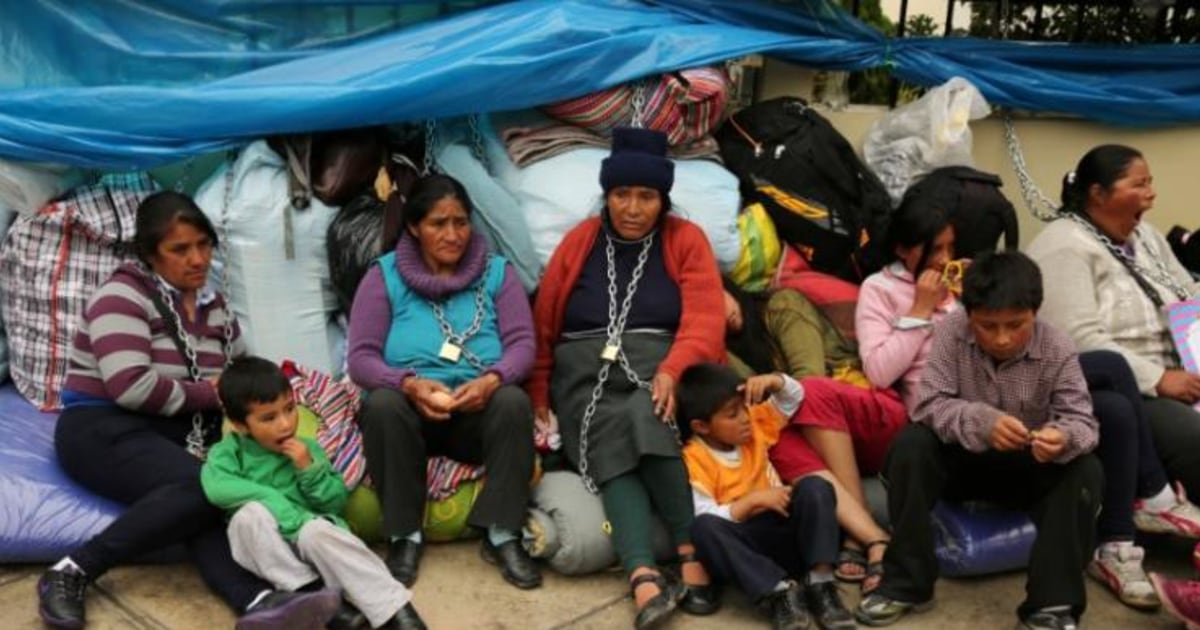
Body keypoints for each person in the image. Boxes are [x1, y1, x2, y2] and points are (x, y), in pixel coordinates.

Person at [38, 192, 337, 630]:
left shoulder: (216, 309)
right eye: (180, 249)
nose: (197, 258)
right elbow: (131, 387)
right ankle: (72, 571)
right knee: (205, 488)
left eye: (204, 244)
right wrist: (214, 394)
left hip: (179, 433)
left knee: (209, 498)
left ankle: (257, 602)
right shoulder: (120, 297)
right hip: (103, 427)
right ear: (149, 253)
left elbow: (240, 380)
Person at [527, 127, 725, 629]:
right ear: (606, 195)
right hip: (582, 374)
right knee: (604, 425)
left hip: (658, 364)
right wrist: (539, 392)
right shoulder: (579, 243)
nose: (632, 208)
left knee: (647, 412)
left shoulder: (687, 240)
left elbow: (704, 320)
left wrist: (673, 371)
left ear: (663, 199)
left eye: (646, 196)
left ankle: (686, 548)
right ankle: (641, 571)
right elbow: (544, 324)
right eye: (621, 194)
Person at [856, 251, 1103, 630]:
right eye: (988, 326)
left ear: (1035, 313)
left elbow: (1083, 422)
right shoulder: (951, 333)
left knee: (1086, 469)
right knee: (912, 444)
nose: (1002, 339)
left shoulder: (1057, 346)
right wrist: (982, 421)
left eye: (1016, 325)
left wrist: (1061, 436)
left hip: (1028, 467)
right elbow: (928, 405)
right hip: (963, 464)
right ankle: (905, 584)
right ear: (969, 315)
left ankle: (1052, 606)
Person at [347, 174, 540, 590]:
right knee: (381, 404)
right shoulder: (384, 277)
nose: (453, 234)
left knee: (512, 402)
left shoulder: (497, 275)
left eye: (461, 222)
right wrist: (409, 385)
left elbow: (523, 345)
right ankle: (404, 535)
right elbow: (361, 359)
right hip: (410, 413)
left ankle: (503, 533)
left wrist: (492, 379)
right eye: (438, 223)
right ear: (414, 227)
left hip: (475, 412)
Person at [1026, 144, 1200, 605]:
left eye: (1150, 183)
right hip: (1134, 390)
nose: (1152, 195)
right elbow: (1077, 338)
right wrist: (1160, 379)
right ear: (1098, 194)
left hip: (1183, 371)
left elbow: (1186, 293)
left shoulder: (1148, 238)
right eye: (1139, 184)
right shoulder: (1064, 246)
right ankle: (1155, 501)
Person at [768, 196, 962, 595]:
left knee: (813, 392)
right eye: (934, 249)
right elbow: (880, 371)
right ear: (903, 250)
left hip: (942, 419)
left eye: (950, 247)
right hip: (900, 415)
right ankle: (870, 535)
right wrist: (920, 312)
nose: (944, 259)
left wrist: (962, 301)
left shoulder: (963, 288)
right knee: (780, 428)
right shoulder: (881, 288)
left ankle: (857, 539)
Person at [201, 357, 426, 630]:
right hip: (275, 560)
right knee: (248, 517)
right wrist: (275, 503)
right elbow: (217, 489)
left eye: (289, 409)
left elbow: (335, 501)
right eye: (269, 418)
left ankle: (394, 610)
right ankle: (317, 600)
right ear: (240, 425)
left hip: (316, 546)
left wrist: (308, 469)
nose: (285, 424)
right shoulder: (227, 453)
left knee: (315, 532)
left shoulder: (308, 449)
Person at [678, 364, 854, 630]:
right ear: (701, 426)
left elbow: (794, 398)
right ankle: (780, 594)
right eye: (732, 414)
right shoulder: (695, 458)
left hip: (789, 528)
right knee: (703, 528)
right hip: (749, 547)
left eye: (744, 408)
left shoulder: (755, 428)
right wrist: (754, 501)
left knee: (816, 487)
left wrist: (774, 380)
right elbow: (705, 512)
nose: (745, 418)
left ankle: (821, 584)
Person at [721, 277, 866, 387]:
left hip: (845, 384)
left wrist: (778, 384)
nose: (724, 313)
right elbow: (752, 399)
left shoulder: (782, 306)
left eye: (720, 298)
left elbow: (811, 380)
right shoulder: (725, 351)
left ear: (729, 289)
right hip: (794, 412)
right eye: (711, 310)